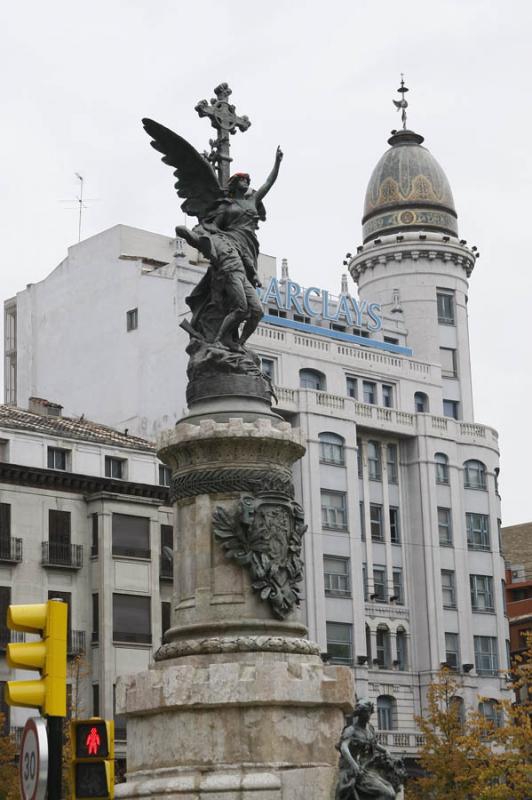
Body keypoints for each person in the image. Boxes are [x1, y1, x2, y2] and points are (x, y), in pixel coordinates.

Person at [176, 146, 283, 350]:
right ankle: (220, 339)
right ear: (234, 184)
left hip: (247, 249)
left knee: (256, 311)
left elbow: (268, 184)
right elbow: (212, 227)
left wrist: (277, 163)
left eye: (248, 180)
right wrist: (206, 240)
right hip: (230, 250)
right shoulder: (226, 206)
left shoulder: (252, 201)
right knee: (239, 306)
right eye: (243, 180)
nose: (247, 182)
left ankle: (239, 344)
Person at [336, 700, 402, 800]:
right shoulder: (351, 730)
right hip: (356, 770)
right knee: (387, 794)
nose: (369, 715)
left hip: (368, 768)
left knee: (391, 791)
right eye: (366, 712)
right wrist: (353, 764)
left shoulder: (370, 729)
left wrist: (385, 751)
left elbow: (375, 744)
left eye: (369, 712)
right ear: (360, 714)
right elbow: (344, 747)